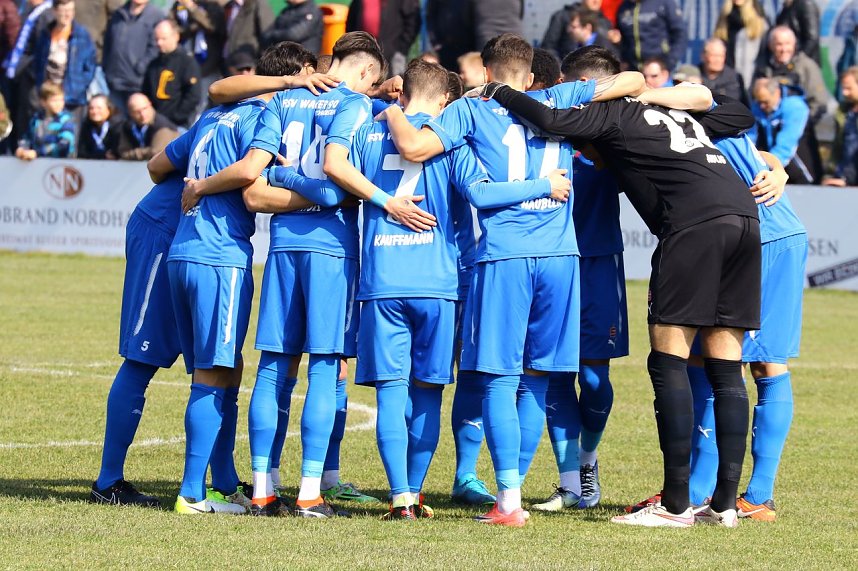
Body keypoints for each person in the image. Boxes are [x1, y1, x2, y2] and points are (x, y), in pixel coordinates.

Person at [484, 45, 761, 528]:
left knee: (668, 359)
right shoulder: (672, 112)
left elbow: (550, 120)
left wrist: (499, 89)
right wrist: (672, 94)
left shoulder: (607, 113)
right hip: (743, 219)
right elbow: (740, 116)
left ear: (590, 89)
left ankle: (675, 506)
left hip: (693, 225)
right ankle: (722, 507)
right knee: (725, 367)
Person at [381, 34, 645, 527]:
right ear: (529, 76)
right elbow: (633, 80)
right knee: (538, 381)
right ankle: (519, 489)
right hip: (561, 258)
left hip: (505, 256)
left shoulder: (469, 108)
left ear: (485, 72)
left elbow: (414, 145)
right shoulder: (554, 98)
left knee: (499, 377)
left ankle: (508, 502)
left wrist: (392, 108)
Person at [194, 32, 434, 518]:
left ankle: (262, 489)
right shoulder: (355, 108)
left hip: (283, 246)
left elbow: (256, 178)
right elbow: (336, 180)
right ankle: (309, 493)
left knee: (272, 365)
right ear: (366, 72)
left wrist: (283, 176)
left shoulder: (282, 101)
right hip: (332, 251)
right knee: (325, 365)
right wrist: (377, 198)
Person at [144, 42, 322, 516]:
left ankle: (222, 482)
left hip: (183, 250)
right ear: (302, 75)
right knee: (213, 372)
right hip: (219, 255)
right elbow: (250, 179)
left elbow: (158, 165)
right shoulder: (262, 119)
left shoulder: (214, 115)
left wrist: (193, 184)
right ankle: (191, 494)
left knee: (225, 368)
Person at [684, 133, 806, 524]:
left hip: (763, 238)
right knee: (705, 355)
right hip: (755, 235)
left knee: (756, 362)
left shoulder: (690, 110)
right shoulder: (688, 115)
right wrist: (777, 167)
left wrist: (779, 171)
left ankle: (757, 496)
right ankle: (697, 489)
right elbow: (755, 152)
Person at [89, 174, 186, 508]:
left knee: (217, 366)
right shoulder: (222, 122)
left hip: (197, 242)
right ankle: (108, 481)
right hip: (164, 231)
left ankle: (224, 482)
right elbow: (157, 166)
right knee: (141, 359)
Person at [751, 76, 821, 185]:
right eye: (759, 102)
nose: (761, 106)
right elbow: (751, 138)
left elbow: (786, 145)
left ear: (777, 93)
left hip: (800, 169)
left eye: (765, 102)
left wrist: (765, 168)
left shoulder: (795, 107)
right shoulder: (758, 106)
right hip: (772, 167)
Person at [754, 26, 832, 123]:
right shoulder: (763, 67)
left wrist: (802, 123)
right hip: (766, 127)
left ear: (794, 45)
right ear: (770, 45)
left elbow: (819, 102)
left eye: (788, 44)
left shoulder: (806, 66)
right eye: (779, 44)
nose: (784, 49)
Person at [33, 0, 97, 113]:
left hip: (72, 99)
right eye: (64, 11)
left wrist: (77, 88)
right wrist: (42, 87)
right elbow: (38, 63)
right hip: (48, 97)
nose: (68, 15)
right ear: (55, 11)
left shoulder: (82, 35)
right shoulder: (46, 34)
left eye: (71, 10)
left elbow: (90, 66)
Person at [103, 0, 165, 114]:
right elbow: (108, 42)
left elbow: (155, 48)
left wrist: (140, 67)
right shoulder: (118, 13)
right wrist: (106, 66)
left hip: (137, 84)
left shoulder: (156, 16)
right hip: (114, 82)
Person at [142, 19, 202, 128]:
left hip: (178, 124)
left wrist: (177, 117)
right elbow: (146, 92)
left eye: (163, 39)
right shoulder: (154, 64)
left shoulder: (187, 63)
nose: (159, 43)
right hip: (155, 123)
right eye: (157, 39)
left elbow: (193, 96)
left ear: (176, 36)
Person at [346, 0, 420, 76]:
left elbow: (412, 22)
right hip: (363, 51)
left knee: (391, 84)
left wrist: (401, 49)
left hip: (392, 55)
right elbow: (351, 21)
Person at [616, 0, 686, 70]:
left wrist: (670, 61)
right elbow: (622, 38)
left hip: (659, 67)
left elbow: (680, 33)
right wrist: (623, 59)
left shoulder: (663, 3)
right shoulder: (623, 7)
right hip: (632, 67)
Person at [713, 0, 768, 88]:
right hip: (727, 77)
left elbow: (764, 53)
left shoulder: (758, 21)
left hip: (750, 76)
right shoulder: (724, 19)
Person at [15, 82, 76, 160]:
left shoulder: (66, 120)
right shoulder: (36, 119)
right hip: (37, 164)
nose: (59, 104)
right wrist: (22, 148)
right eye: (54, 101)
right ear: (43, 102)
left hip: (60, 164)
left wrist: (38, 153)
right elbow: (27, 137)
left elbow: (65, 143)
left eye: (61, 100)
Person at [118, 92, 179, 160]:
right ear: (130, 113)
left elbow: (157, 153)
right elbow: (123, 151)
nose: (142, 115)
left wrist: (134, 153)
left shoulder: (163, 127)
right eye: (137, 112)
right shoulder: (128, 126)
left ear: (150, 104)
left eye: (145, 108)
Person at [825, 67, 858, 187]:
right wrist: (830, 174)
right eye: (843, 88)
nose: (844, 93)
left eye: (849, 88)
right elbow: (838, 148)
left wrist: (848, 179)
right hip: (842, 179)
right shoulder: (844, 112)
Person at [699, 37, 745, 104]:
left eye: (721, 56)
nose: (718, 60)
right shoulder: (695, 72)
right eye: (714, 55)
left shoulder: (732, 77)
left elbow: (729, 100)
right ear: (704, 56)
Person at [77, 94, 120, 159]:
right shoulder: (86, 127)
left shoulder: (117, 127)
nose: (95, 111)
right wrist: (103, 155)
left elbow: (117, 153)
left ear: (108, 109)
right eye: (91, 108)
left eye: (99, 108)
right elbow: (82, 153)